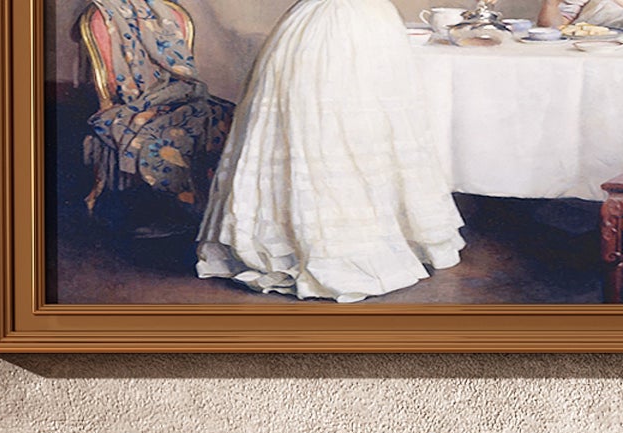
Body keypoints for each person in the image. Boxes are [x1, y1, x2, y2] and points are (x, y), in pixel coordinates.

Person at [197, 0, 464, 304]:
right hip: (325, 29)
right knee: (315, 126)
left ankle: (370, 240)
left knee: (365, 129)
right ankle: (308, 242)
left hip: (365, 28)